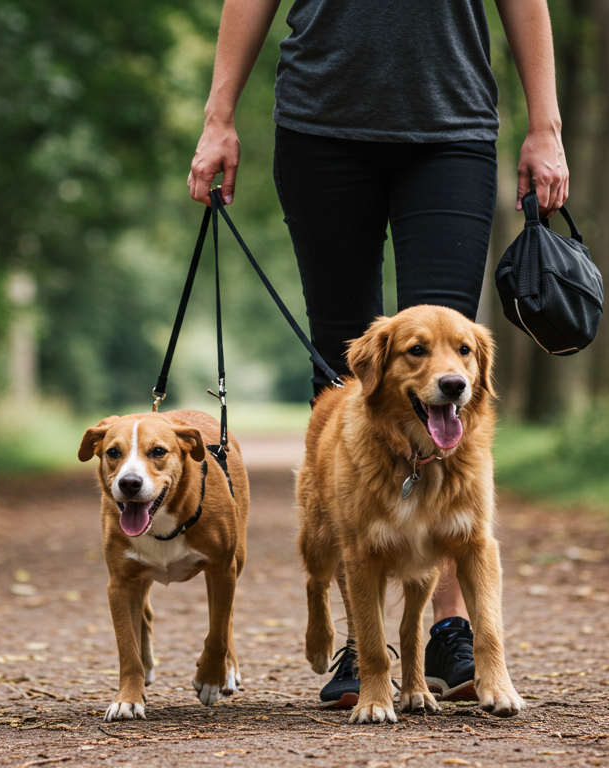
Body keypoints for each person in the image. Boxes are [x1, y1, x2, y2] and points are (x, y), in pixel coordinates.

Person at [187, 0, 569, 708]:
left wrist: (545, 126)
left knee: (444, 364)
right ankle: (362, 643)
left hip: (450, 124)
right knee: (346, 375)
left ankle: (450, 629)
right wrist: (219, 116)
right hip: (320, 123)